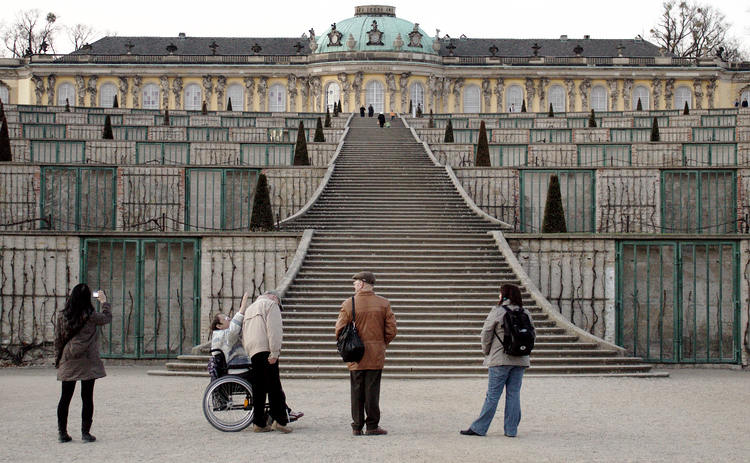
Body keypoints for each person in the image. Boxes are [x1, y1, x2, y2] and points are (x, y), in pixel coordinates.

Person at [210, 292, 302, 421]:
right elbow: (233, 332)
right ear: (219, 326)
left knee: (271, 382)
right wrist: (241, 310)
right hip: (239, 369)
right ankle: (278, 414)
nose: (229, 318)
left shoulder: (222, 335)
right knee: (271, 381)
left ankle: (278, 412)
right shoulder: (222, 335)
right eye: (225, 318)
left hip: (241, 365)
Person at [460, 284, 535, 438]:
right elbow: (532, 334)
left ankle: (480, 428)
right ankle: (511, 430)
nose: (498, 296)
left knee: (493, 395)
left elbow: (486, 333)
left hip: (500, 358)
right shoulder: (525, 312)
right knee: (514, 394)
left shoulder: (498, 311)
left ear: (505, 295)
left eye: (500, 294)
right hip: (520, 359)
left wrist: (487, 351)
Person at [335, 272, 397, 436]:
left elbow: (339, 330)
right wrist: (381, 344)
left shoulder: (349, 304)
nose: (354, 286)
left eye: (355, 283)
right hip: (375, 354)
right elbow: (392, 330)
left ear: (362, 284)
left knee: (356, 390)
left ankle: (357, 426)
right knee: (372, 390)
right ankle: (372, 425)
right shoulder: (384, 303)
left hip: (356, 354)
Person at [54, 284, 112, 443]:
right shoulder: (92, 316)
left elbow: (58, 340)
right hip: (88, 359)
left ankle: (62, 432)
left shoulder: (62, 316)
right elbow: (107, 318)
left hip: (69, 358)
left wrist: (57, 359)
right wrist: (104, 301)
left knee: (65, 397)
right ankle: (85, 433)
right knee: (87, 397)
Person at [242, 290, 292, 433]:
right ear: (275, 298)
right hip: (266, 349)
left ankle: (258, 422)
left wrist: (248, 349)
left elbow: (244, 332)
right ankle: (280, 420)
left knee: (258, 388)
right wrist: (275, 352)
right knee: (274, 386)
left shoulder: (250, 308)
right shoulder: (271, 305)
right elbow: (274, 330)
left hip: (253, 350)